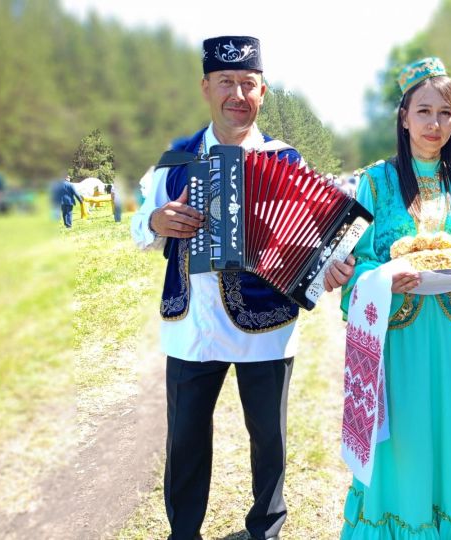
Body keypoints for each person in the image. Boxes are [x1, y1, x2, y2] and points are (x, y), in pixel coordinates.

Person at [130, 35, 354, 540]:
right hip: (192, 324)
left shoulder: (286, 160)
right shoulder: (174, 161)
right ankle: (183, 533)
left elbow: (321, 239)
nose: (238, 94)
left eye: (248, 84)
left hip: (266, 324)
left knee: (268, 440)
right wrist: (156, 221)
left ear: (263, 91)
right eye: (226, 82)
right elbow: (138, 225)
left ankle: (266, 530)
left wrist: (332, 268)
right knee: (185, 439)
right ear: (206, 87)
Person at [339, 57, 451, 539]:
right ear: (403, 116)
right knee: (403, 444)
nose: (435, 123)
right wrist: (382, 278)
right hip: (398, 338)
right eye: (424, 111)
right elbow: (355, 262)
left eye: (446, 113)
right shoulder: (375, 182)